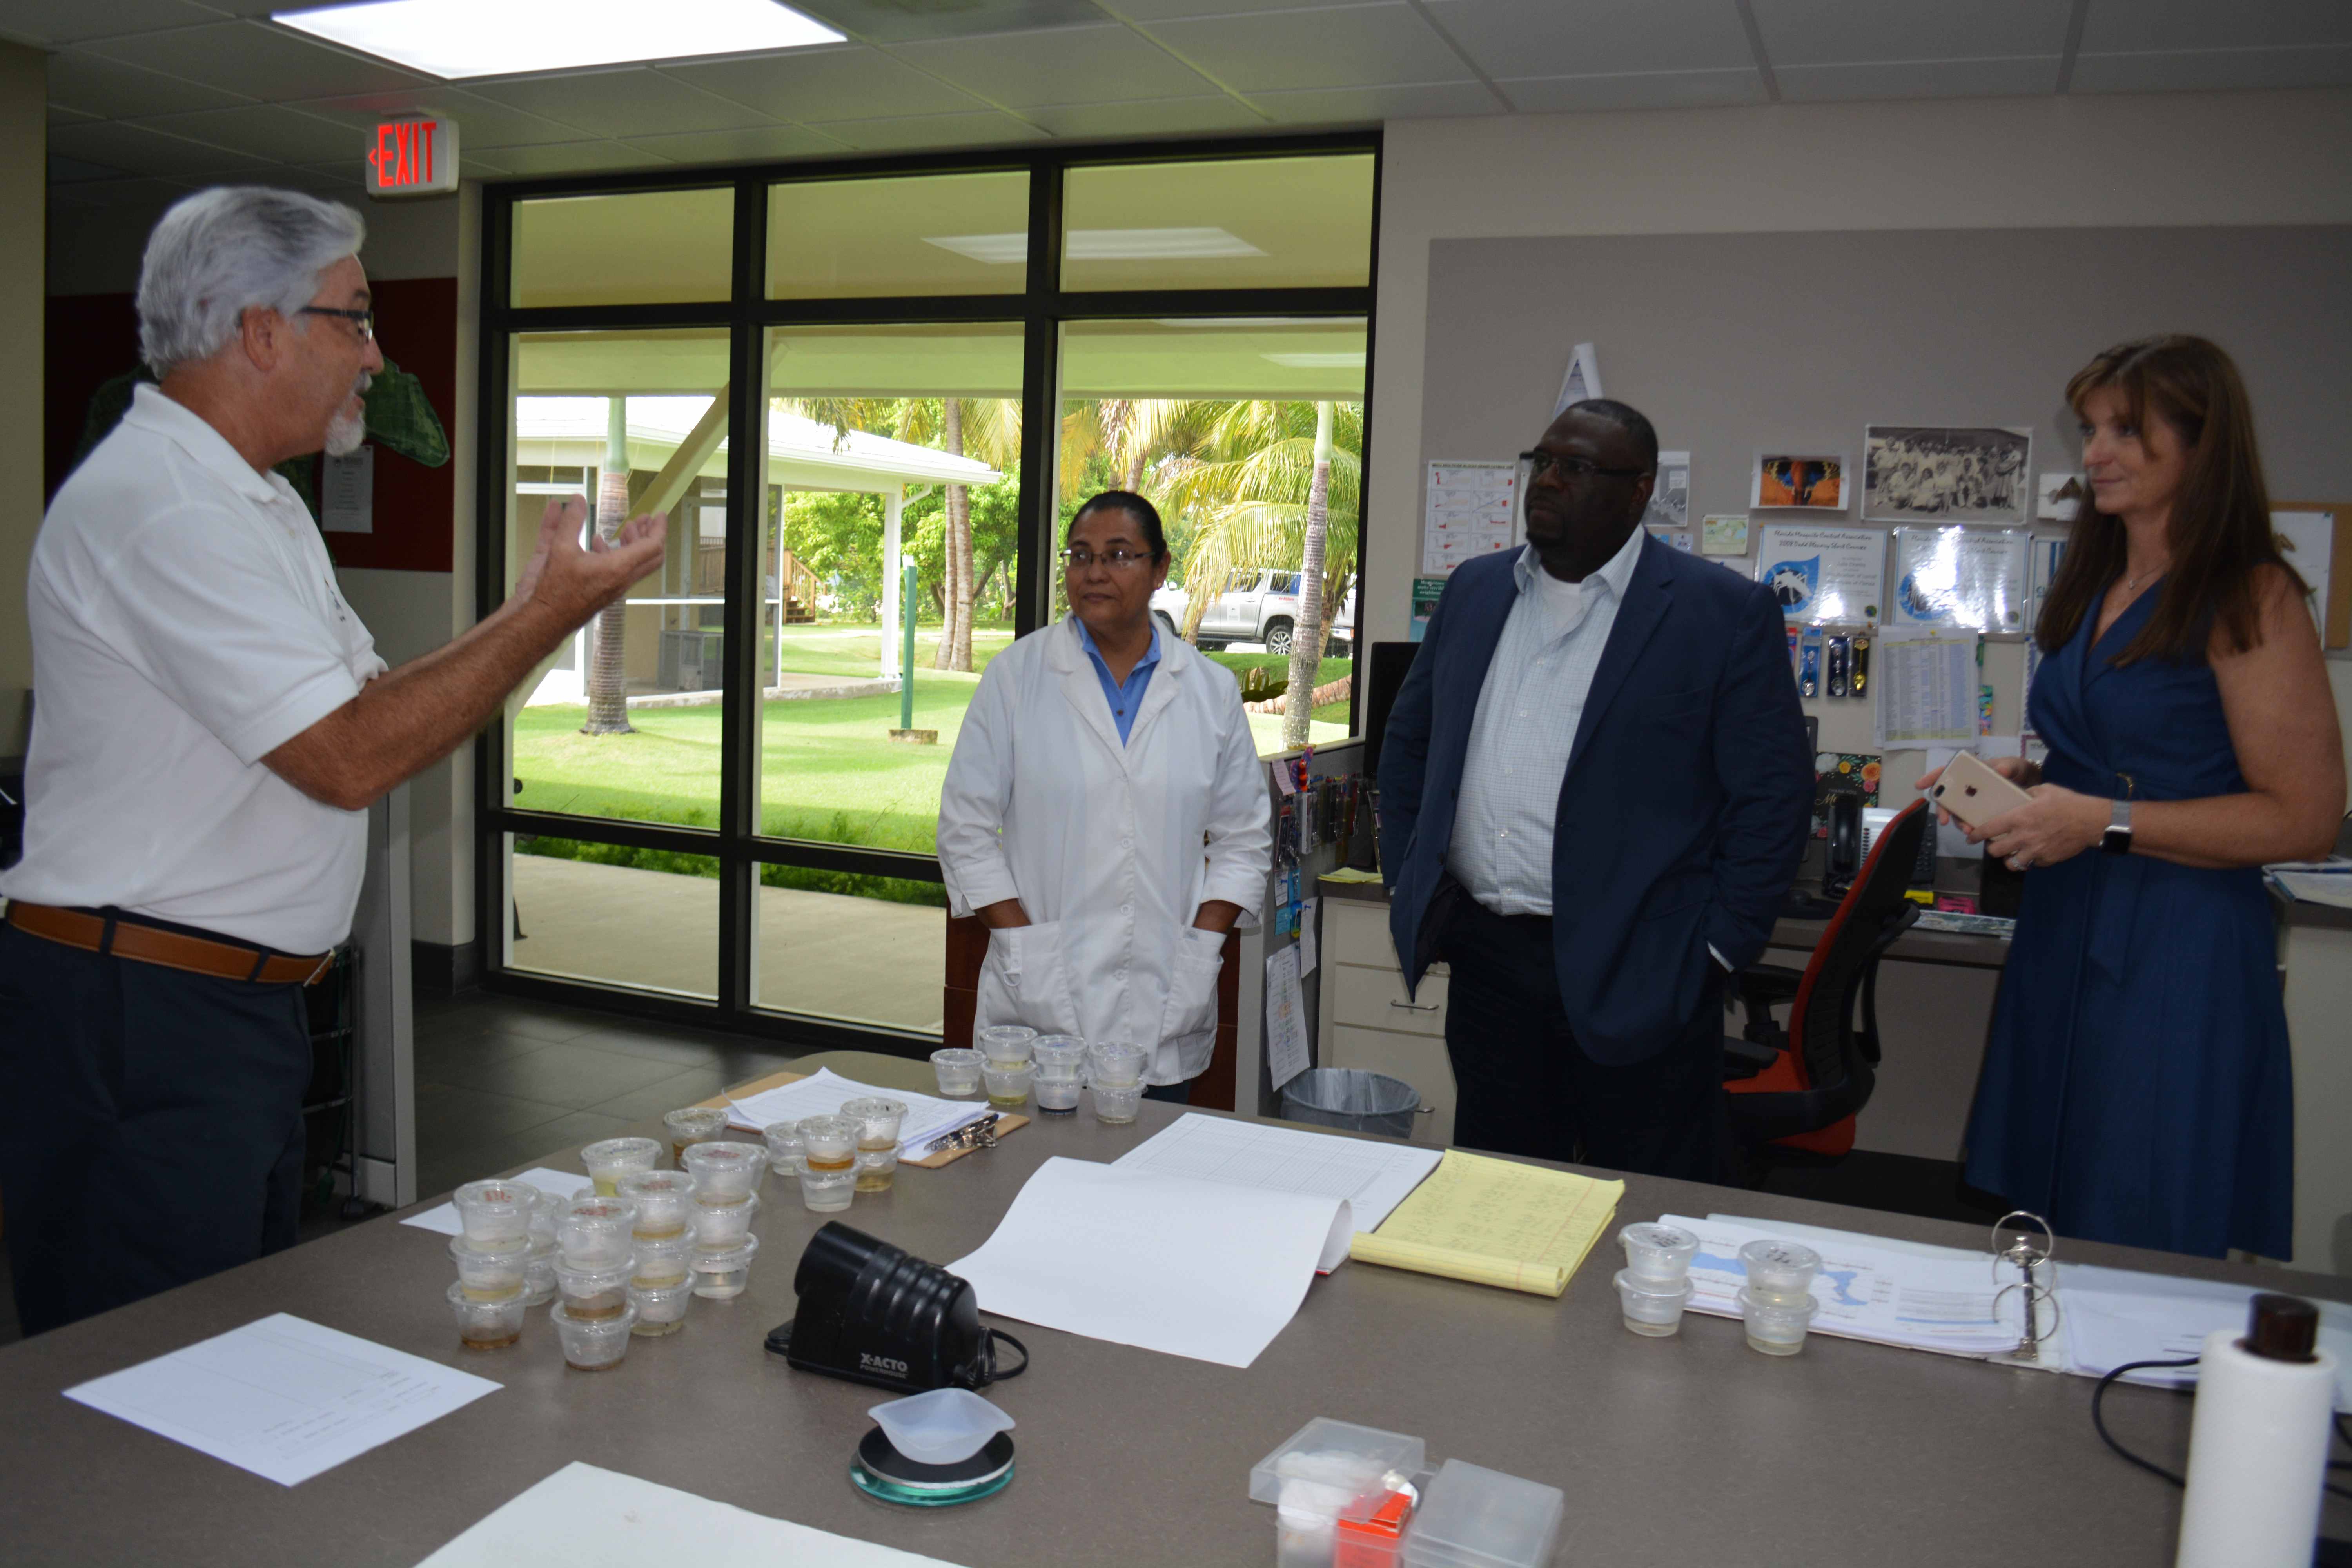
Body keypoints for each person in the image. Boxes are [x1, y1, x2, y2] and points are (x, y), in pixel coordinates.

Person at [0, 187, 667, 1335]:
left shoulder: (255, 501)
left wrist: (528, 613)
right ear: (261, 330)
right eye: (353, 318)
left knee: (229, 1349)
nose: (375, 355)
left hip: (225, 1015)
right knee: (144, 1375)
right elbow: (350, 756)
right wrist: (543, 617)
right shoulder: (163, 505)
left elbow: (370, 707)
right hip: (141, 1019)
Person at [1926, 335, 2344, 1259]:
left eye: (2126, 430)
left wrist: (2098, 820)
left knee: (2145, 1207)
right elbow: (2110, 767)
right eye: (2090, 430)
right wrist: (2029, 792)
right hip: (2067, 923)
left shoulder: (2252, 594)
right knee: (2048, 1213)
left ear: (2202, 443)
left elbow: (2307, 817)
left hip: (2177, 941)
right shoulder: (2096, 586)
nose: (2097, 453)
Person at [1380, 399, 1813, 1181]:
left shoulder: (1719, 612)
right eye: (1542, 461)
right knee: (1500, 1194)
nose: (1547, 480)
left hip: (1641, 964)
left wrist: (1715, 950)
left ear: (1639, 489)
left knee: (1642, 1202)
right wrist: (1409, 880)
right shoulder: (1476, 590)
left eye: (1575, 467)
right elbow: (1412, 743)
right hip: (1489, 961)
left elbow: (1773, 798)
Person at [938, 492, 1271, 1102]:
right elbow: (965, 830)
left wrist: (1202, 947)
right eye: (1081, 555)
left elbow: (1244, 841)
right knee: (1032, 1156)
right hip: (1037, 1006)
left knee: (1153, 1157)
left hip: (1166, 1004)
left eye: (1118, 555)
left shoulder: (1210, 691)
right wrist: (1023, 947)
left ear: (1160, 568)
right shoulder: (1016, 677)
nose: (1094, 572)